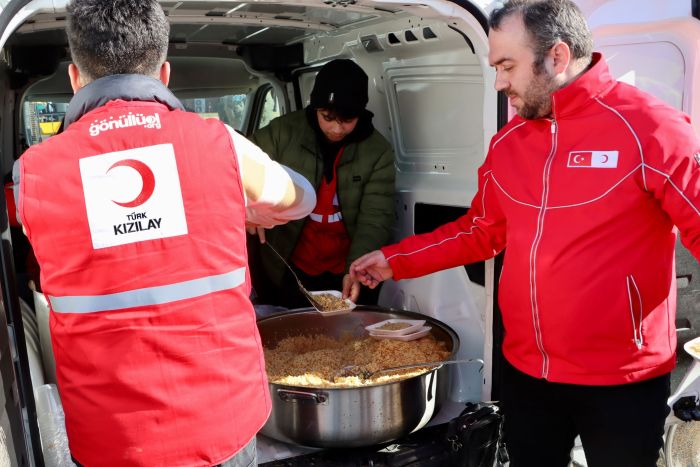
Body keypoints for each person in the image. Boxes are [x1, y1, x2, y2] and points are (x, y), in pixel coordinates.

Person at [349, 0, 700, 466]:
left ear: (556, 57)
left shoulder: (652, 129)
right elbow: (480, 231)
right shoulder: (509, 142)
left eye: (507, 66)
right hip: (527, 375)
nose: (499, 83)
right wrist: (394, 260)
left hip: (622, 381)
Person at [12, 0, 315, 465]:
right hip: (224, 424)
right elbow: (302, 199)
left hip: (110, 439)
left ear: (75, 77)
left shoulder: (32, 174)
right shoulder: (223, 146)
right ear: (165, 73)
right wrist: (247, 205)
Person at [248, 58, 396, 308]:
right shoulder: (283, 132)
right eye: (328, 117)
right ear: (315, 109)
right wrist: (250, 210)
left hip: (345, 265)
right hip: (287, 263)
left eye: (347, 120)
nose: (337, 128)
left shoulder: (377, 151)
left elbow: (375, 219)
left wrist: (355, 270)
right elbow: (240, 164)